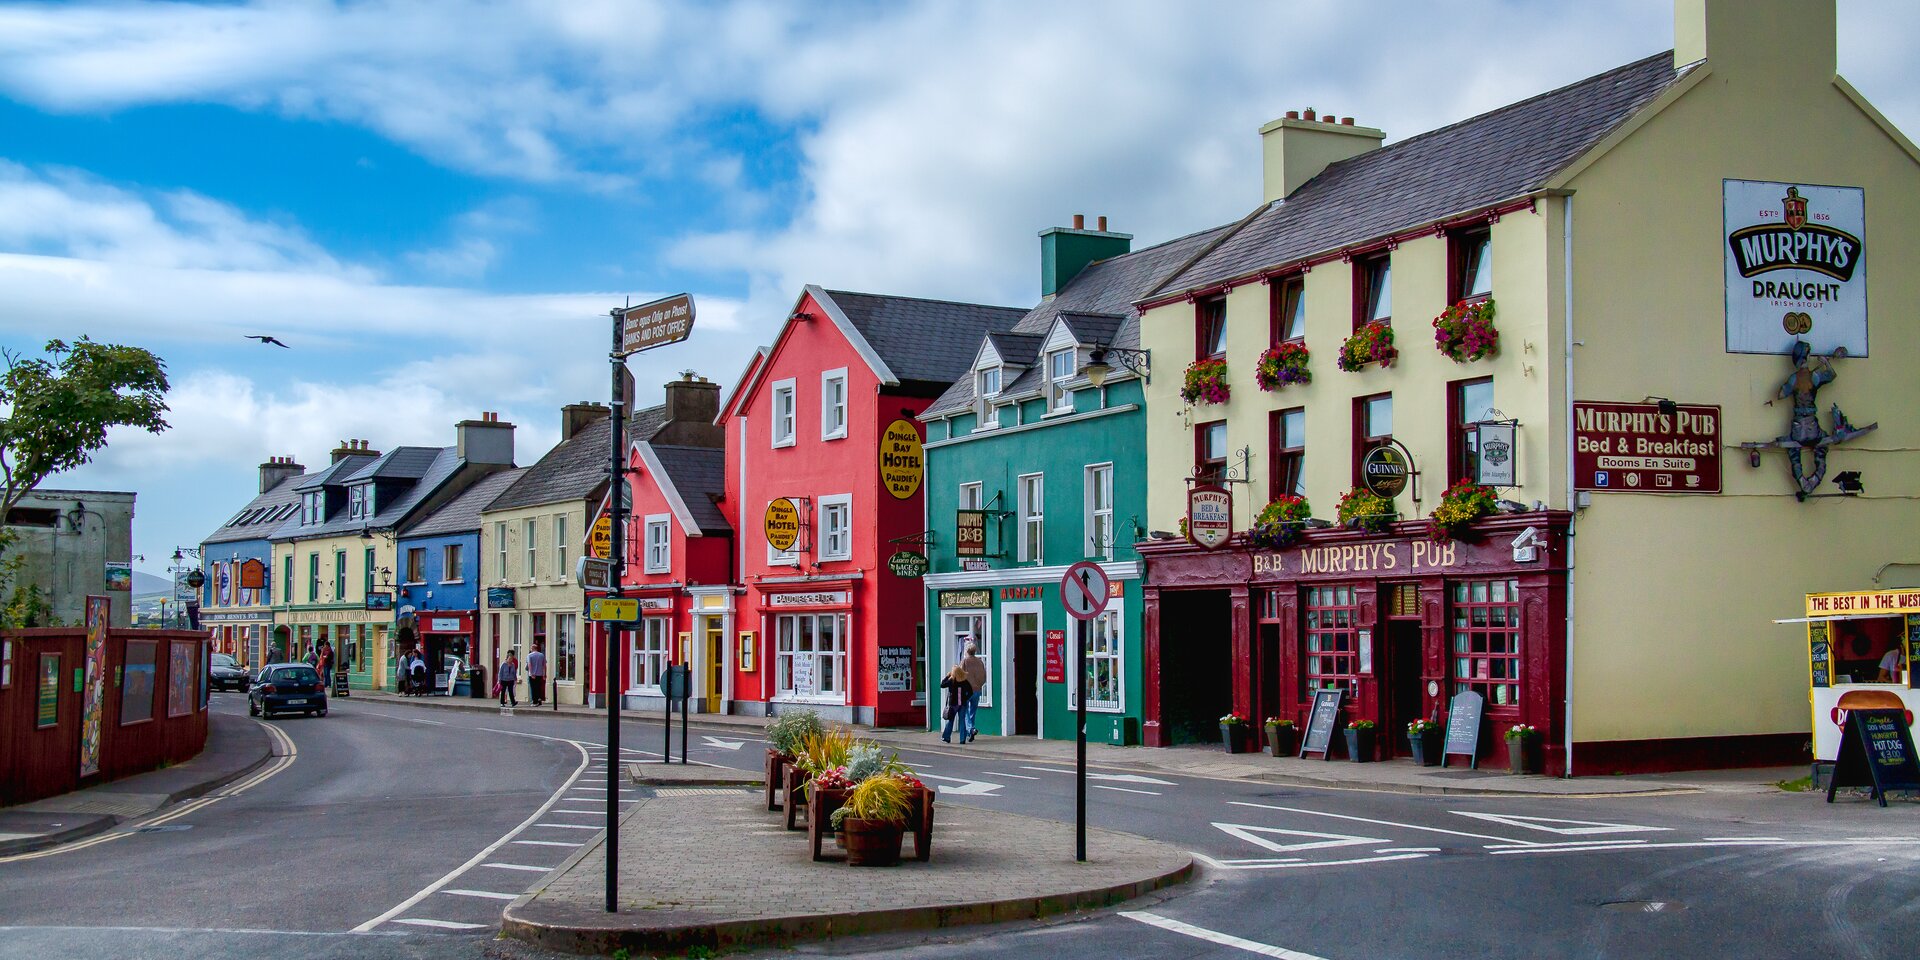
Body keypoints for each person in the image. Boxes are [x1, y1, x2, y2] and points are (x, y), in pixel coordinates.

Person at [960, 639, 988, 743]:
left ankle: (971, 729)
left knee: (965, 710)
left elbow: (960, 675)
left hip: (967, 690)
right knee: (973, 711)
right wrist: (979, 685)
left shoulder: (965, 661)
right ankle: (970, 731)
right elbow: (984, 677)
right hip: (977, 690)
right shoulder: (980, 662)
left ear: (967, 651)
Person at [938, 666, 973, 744]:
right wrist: (966, 698)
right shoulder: (965, 681)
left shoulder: (951, 681)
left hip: (953, 704)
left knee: (951, 721)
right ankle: (962, 739)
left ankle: (946, 737)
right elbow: (970, 692)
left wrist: (947, 676)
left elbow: (942, 685)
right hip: (962, 703)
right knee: (962, 721)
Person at [527, 640, 548, 707]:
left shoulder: (529, 655)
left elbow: (529, 665)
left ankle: (534, 701)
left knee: (533, 688)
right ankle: (539, 699)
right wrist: (544, 674)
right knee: (538, 687)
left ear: (532, 649)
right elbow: (544, 665)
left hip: (532, 674)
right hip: (540, 674)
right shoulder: (541, 655)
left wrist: (531, 673)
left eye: (531, 648)